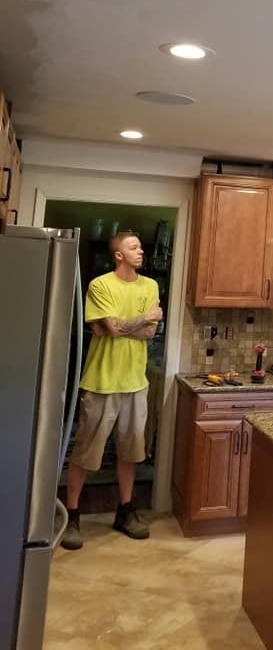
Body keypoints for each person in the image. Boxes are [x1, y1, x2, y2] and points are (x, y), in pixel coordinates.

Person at [61, 231, 163, 550]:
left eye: (140, 246)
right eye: (133, 247)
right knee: (85, 452)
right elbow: (109, 327)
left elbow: (147, 334)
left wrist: (120, 327)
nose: (140, 251)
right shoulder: (101, 285)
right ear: (118, 254)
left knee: (131, 451)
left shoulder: (150, 286)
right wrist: (141, 318)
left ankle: (125, 511)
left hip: (136, 383)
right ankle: (72, 514)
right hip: (101, 382)